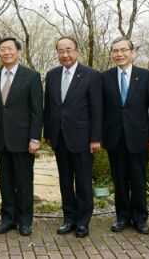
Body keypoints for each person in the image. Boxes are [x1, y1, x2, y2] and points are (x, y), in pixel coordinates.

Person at [43, 36, 102, 238]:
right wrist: (48, 134)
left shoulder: (91, 75)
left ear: (77, 51)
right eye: (61, 51)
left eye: (69, 50)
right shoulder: (51, 75)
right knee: (65, 182)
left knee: (84, 182)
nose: (65, 55)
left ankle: (83, 222)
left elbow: (97, 109)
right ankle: (69, 219)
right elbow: (49, 107)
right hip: (59, 138)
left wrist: (96, 138)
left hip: (83, 138)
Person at [102, 37, 149, 235]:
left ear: (132, 52)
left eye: (123, 50)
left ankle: (140, 218)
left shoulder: (146, 76)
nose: (119, 54)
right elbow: (101, 110)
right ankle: (122, 217)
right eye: (115, 50)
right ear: (112, 54)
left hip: (139, 137)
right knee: (119, 180)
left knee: (138, 179)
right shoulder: (105, 77)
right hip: (115, 137)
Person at [0, 37, 43, 236]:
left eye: (10, 49)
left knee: (24, 182)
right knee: (6, 182)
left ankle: (25, 221)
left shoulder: (31, 76)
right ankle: (7, 219)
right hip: (0, 139)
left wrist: (35, 138)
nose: (6, 52)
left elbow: (37, 110)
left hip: (23, 140)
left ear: (18, 51)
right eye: (2, 49)